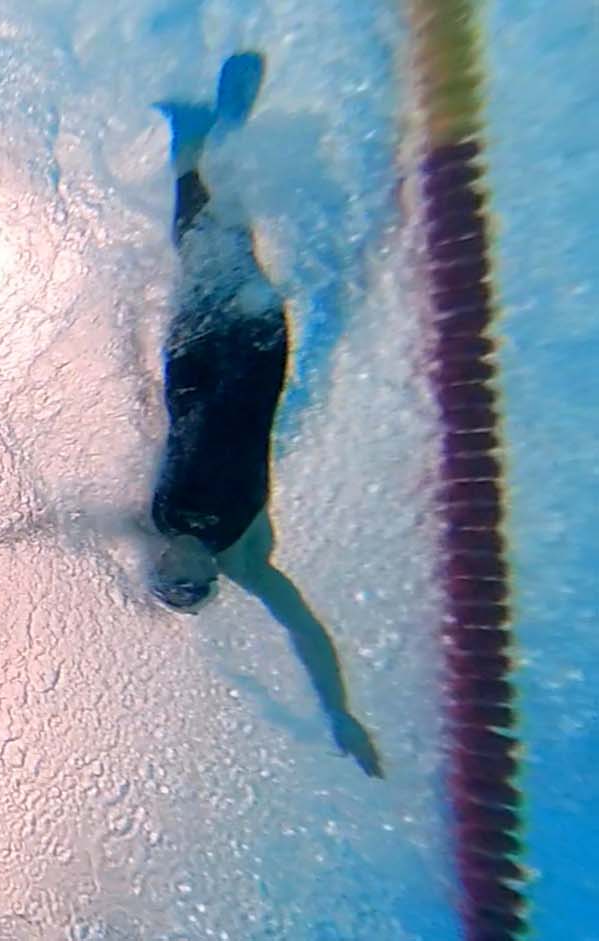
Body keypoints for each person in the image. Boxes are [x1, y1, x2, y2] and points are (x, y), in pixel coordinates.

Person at [147, 53, 383, 778]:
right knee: (223, 245)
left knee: (192, 247)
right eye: (181, 576)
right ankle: (231, 128)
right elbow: (300, 625)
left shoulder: (151, 526)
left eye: (160, 574)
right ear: (204, 577)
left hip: (191, 364)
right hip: (250, 351)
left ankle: (192, 139)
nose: (166, 560)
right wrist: (337, 710)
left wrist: (15, 530)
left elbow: (71, 523)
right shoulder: (245, 552)